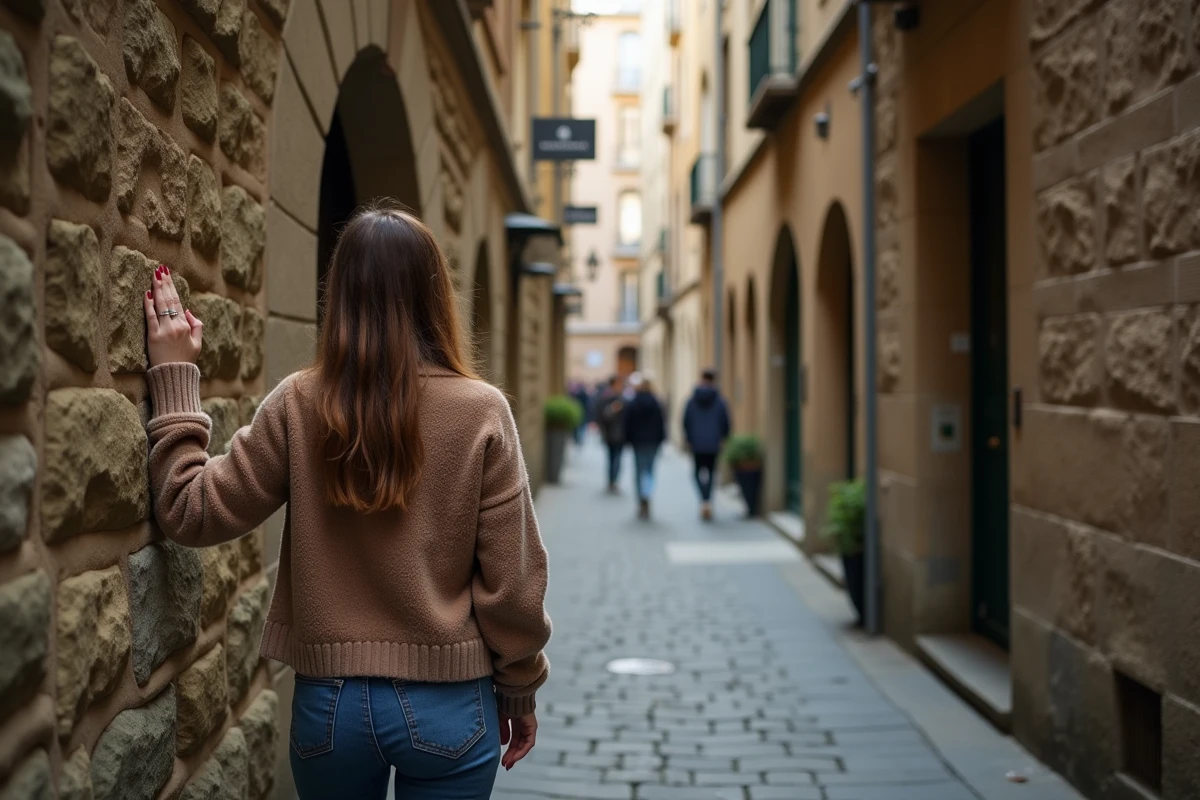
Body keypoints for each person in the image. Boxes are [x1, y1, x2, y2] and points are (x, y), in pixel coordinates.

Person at [140, 205, 551, 799]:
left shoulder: (298, 402)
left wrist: (176, 373)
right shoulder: (482, 410)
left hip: (330, 709)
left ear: (340, 296)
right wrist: (519, 687)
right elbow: (514, 584)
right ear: (435, 295)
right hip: (451, 705)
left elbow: (190, 509)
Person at [683, 369, 732, 521]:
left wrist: (688, 438)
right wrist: (724, 437)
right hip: (713, 442)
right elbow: (726, 422)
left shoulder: (692, 400)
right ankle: (707, 501)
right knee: (711, 472)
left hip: (696, 442)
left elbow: (686, 421)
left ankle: (704, 500)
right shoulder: (720, 401)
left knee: (696, 473)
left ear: (701, 379)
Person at [623, 372, 666, 520]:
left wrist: (628, 440)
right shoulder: (656, 403)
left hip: (638, 442)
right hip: (653, 442)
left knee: (639, 471)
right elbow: (661, 423)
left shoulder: (633, 402)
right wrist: (661, 440)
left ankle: (641, 499)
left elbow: (628, 423)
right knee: (650, 471)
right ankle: (647, 495)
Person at [595, 375, 627, 492]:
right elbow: (601, 415)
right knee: (611, 458)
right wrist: (612, 410)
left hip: (621, 434)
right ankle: (611, 480)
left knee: (617, 458)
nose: (620, 386)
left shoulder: (623, 398)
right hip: (609, 434)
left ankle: (614, 480)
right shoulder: (605, 398)